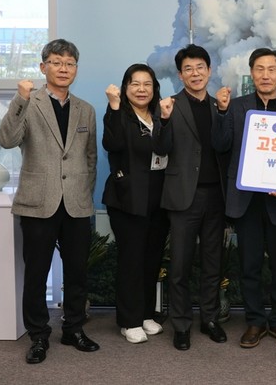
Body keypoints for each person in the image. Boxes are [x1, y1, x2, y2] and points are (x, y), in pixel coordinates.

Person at [0, 39, 99, 364]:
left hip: (76, 203)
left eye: (69, 63)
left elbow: (90, 158)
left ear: (76, 69)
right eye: (56, 62)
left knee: (77, 273)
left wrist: (82, 191)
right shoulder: (30, 102)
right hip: (38, 202)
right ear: (44, 67)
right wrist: (21, 99)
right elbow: (6, 139)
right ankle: (39, 336)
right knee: (36, 274)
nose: (63, 68)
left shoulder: (86, 109)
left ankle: (73, 329)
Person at [212, 47, 276, 349]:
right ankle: (254, 321)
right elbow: (220, 144)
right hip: (247, 202)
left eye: (272, 69)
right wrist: (222, 112)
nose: (265, 75)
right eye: (259, 69)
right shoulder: (235, 107)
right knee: (249, 267)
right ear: (252, 73)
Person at [152, 44, 229, 351]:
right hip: (184, 196)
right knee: (180, 266)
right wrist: (164, 120)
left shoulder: (219, 106)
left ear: (209, 70)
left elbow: (225, 145)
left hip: (216, 197)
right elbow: (160, 148)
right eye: (188, 69)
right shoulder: (170, 106)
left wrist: (223, 113)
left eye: (200, 68)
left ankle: (210, 319)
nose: (195, 74)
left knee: (212, 263)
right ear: (180, 74)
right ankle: (181, 325)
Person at [102, 63, 169, 344]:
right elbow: (112, 144)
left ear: (154, 88)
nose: (142, 89)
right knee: (131, 259)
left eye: (147, 84)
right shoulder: (118, 113)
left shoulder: (159, 115)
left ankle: (145, 314)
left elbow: (166, 149)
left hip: (158, 199)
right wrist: (114, 106)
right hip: (127, 199)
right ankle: (128, 321)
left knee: (151, 258)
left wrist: (166, 120)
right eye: (135, 84)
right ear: (126, 87)